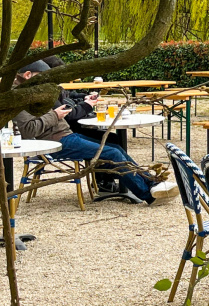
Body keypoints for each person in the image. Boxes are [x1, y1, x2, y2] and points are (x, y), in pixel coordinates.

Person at [12, 60, 177, 204]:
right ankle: (148, 195)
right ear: (28, 75)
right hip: (53, 143)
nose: (46, 82)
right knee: (112, 153)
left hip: (64, 136)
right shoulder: (20, 97)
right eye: (42, 77)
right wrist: (55, 115)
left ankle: (152, 183)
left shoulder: (32, 91)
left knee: (115, 147)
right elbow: (28, 130)